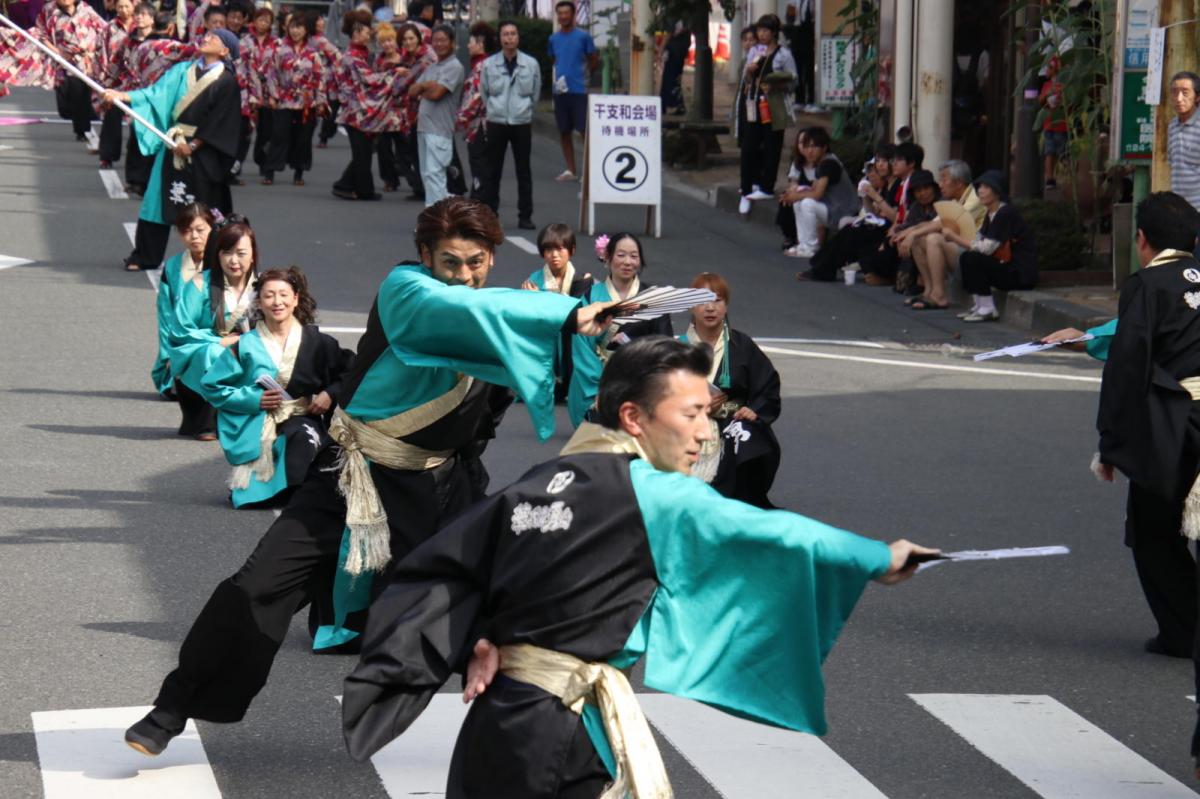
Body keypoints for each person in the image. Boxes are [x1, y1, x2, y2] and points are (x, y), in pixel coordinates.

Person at [122, 198, 617, 758]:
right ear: (423, 255)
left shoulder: (501, 315)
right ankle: (176, 704)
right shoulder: (406, 292)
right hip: (350, 473)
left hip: (437, 489)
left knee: (498, 611)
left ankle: (558, 752)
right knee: (258, 585)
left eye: (477, 262)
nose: (464, 276)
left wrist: (601, 338)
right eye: (450, 262)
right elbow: (453, 312)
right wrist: (564, 313)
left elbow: (517, 361)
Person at [341, 336, 934, 796]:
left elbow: (441, 569)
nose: (706, 432)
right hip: (566, 731)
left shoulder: (540, 481)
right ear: (633, 418)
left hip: (499, 724)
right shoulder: (650, 491)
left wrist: (479, 638)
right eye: (693, 413)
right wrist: (877, 558)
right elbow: (766, 530)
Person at [1094, 192, 1200, 666]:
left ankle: (1183, 632)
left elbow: (1129, 365)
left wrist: (1111, 444)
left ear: (1142, 239)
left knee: (1155, 531)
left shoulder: (1148, 283)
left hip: (1177, 423)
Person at [202, 266, 355, 509]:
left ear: (295, 299)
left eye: (284, 294)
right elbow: (212, 385)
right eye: (269, 295)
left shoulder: (317, 342)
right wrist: (253, 399)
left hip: (302, 416)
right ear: (259, 303)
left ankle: (300, 493)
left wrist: (329, 393)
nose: (277, 302)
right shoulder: (245, 345)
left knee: (303, 437)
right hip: (259, 421)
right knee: (254, 495)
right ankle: (277, 490)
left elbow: (352, 371)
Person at [108, 28, 242, 272]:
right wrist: (122, 96)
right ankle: (145, 255)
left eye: (214, 38)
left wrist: (193, 145)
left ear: (225, 51)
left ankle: (215, 257)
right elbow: (155, 95)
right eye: (207, 34)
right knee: (156, 200)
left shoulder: (227, 82)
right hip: (173, 143)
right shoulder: (183, 70)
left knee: (206, 206)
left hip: (205, 150)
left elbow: (222, 121)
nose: (207, 38)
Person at [680, 272, 781, 508]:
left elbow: (767, 384)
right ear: (690, 307)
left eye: (718, 300)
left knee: (749, 436)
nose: (710, 308)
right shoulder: (677, 347)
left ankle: (743, 504)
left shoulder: (741, 345)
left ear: (726, 306)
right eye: (703, 301)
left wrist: (754, 410)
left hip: (730, 421)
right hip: (688, 424)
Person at [166, 217, 259, 440]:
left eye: (241, 253)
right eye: (227, 252)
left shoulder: (264, 286)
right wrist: (217, 341)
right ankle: (207, 420)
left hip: (253, 350)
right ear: (217, 254)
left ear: (253, 254)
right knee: (214, 353)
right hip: (207, 354)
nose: (233, 260)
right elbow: (180, 330)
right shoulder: (199, 284)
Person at [568, 232, 673, 427]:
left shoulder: (654, 299)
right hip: (597, 383)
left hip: (641, 384)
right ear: (607, 257)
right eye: (621, 255)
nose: (627, 262)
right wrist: (602, 391)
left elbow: (664, 347)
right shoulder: (591, 297)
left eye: (634, 256)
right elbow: (582, 347)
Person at [940, 170, 1037, 322]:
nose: (980, 191)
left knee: (974, 258)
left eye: (986, 187)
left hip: (1019, 274)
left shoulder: (1005, 213)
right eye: (979, 187)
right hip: (1004, 266)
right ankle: (979, 305)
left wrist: (955, 238)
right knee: (966, 257)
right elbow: (980, 240)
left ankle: (988, 308)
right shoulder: (990, 213)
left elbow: (987, 248)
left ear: (998, 191)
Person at [521, 223, 593, 402]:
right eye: (548, 249)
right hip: (546, 339)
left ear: (571, 250)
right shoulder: (533, 280)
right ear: (542, 252)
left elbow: (576, 313)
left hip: (573, 340)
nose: (554, 255)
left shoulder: (582, 279)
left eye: (560, 249)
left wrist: (540, 300)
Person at [479, 20, 540, 229]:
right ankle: (490, 214)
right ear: (500, 38)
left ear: (518, 37)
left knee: (524, 170)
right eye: (505, 34)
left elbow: (535, 93)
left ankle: (525, 215)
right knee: (492, 170)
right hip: (497, 121)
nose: (509, 38)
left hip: (521, 121)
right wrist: (494, 110)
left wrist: (524, 110)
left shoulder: (531, 64)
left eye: (513, 33)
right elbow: (484, 92)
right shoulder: (489, 64)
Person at [152, 202, 214, 398]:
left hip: (214, 339)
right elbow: (166, 316)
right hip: (181, 340)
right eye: (187, 231)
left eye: (200, 230)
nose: (194, 237)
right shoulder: (172, 267)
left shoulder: (225, 263)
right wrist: (172, 354)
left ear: (213, 228)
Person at [904, 159, 984, 310]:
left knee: (934, 238)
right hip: (961, 253)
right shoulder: (953, 200)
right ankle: (929, 291)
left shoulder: (975, 199)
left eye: (944, 179)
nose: (940, 184)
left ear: (959, 182)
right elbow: (931, 223)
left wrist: (912, 233)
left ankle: (939, 295)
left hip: (975, 258)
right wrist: (910, 233)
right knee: (920, 239)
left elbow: (944, 223)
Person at [331, 9, 392, 201]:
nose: (369, 33)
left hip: (359, 110)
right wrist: (394, 73)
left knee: (363, 151)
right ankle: (360, 189)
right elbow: (370, 80)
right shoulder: (353, 56)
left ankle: (346, 185)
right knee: (362, 152)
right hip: (356, 111)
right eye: (366, 30)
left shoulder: (360, 53)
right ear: (356, 32)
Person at [737, 14, 795, 215]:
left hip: (774, 104)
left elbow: (793, 81)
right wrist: (749, 71)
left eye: (765, 31)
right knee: (748, 146)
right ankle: (746, 188)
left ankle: (766, 187)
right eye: (759, 30)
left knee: (772, 146)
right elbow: (744, 79)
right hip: (754, 102)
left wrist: (777, 85)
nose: (761, 35)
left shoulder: (783, 55)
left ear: (774, 33)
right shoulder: (754, 51)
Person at [261, 10, 326, 187]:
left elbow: (320, 77)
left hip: (306, 101)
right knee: (279, 135)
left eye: (299, 28)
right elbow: (272, 73)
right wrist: (273, 96)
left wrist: (320, 101)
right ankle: (270, 171)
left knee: (303, 138)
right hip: (284, 99)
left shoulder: (313, 53)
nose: (295, 31)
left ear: (306, 30)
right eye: (293, 27)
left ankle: (299, 172)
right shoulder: (280, 49)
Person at [779, 126, 857, 259]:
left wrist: (795, 196)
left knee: (807, 203)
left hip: (843, 211)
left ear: (824, 148)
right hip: (831, 208)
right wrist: (795, 194)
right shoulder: (820, 163)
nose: (810, 151)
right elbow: (814, 189)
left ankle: (811, 247)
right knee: (800, 201)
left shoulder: (829, 163)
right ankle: (803, 244)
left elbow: (817, 194)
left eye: (814, 147)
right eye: (807, 146)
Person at [37, 0, 107, 142]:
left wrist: (94, 50)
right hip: (63, 60)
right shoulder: (49, 10)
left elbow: (103, 28)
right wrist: (56, 52)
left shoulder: (86, 9)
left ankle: (83, 130)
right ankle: (82, 123)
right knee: (66, 102)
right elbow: (41, 34)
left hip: (85, 61)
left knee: (81, 95)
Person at [409, 24, 464, 206]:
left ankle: (439, 221)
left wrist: (424, 87)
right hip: (424, 128)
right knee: (428, 176)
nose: (439, 44)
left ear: (452, 43)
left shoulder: (454, 66)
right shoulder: (432, 67)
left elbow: (436, 94)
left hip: (439, 130)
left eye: (443, 40)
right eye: (435, 40)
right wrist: (426, 85)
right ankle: (433, 219)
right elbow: (411, 91)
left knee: (435, 176)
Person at [547, 0, 596, 181]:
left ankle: (589, 171)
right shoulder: (553, 39)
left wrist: (585, 75)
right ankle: (571, 169)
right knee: (564, 131)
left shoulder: (583, 37)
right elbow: (554, 60)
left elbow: (593, 58)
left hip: (579, 89)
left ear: (573, 15)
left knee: (584, 131)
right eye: (560, 13)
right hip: (561, 90)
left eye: (566, 13)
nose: (563, 16)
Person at [394, 22, 437, 200]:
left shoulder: (426, 59)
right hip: (412, 112)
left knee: (424, 152)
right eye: (404, 39)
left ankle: (427, 189)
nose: (408, 42)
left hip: (427, 110)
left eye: (411, 38)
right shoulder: (408, 57)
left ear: (419, 39)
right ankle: (420, 188)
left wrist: (398, 75)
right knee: (414, 151)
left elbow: (400, 86)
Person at [456, 21, 497, 205]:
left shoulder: (482, 67)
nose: (468, 45)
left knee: (480, 166)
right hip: (487, 123)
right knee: (485, 166)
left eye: (471, 41)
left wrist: (458, 120)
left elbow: (475, 98)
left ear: (481, 43)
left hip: (480, 125)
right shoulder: (487, 64)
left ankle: (480, 203)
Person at [95, 0, 136, 168]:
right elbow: (101, 52)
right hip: (114, 79)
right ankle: (107, 156)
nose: (124, 10)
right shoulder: (109, 28)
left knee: (138, 122)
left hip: (136, 81)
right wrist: (103, 79)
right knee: (111, 118)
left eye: (127, 6)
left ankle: (136, 168)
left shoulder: (141, 26)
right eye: (120, 6)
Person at [240, 6, 277, 178]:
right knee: (245, 131)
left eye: (267, 20)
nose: (263, 23)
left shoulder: (277, 43)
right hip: (249, 92)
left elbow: (279, 69)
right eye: (260, 19)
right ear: (254, 21)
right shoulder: (245, 41)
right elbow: (241, 65)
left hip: (269, 93)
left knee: (267, 131)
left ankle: (263, 162)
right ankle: (236, 165)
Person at [1167, 71, 1200, 251]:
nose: (1179, 98)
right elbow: (1174, 165)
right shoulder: (1172, 126)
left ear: (1197, 97)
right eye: (1174, 92)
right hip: (1179, 214)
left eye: (1185, 92)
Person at [1038, 56, 1068, 192]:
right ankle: (1049, 178)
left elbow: (1068, 101)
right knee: (1049, 151)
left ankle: (1062, 177)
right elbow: (1040, 101)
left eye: (1049, 68)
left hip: (1061, 124)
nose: (1046, 71)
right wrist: (1047, 94)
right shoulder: (1046, 85)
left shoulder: (1063, 85)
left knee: (1062, 152)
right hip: (1048, 123)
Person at [659, 21, 688, 115]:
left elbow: (669, 32)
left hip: (673, 51)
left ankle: (666, 106)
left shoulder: (673, 13)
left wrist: (661, 49)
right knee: (675, 79)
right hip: (681, 51)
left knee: (669, 79)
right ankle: (678, 105)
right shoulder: (685, 15)